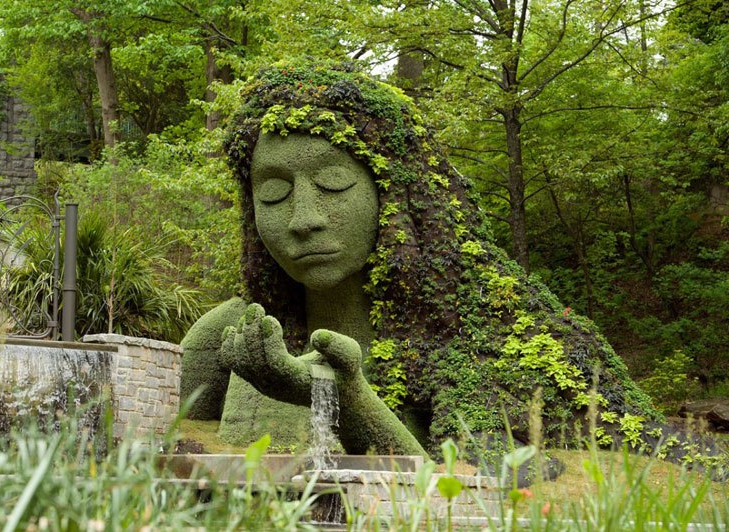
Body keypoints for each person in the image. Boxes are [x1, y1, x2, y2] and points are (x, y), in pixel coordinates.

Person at [181, 62, 665, 460]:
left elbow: (476, 489)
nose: (303, 219)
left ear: (395, 193)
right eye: (273, 192)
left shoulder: (480, 339)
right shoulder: (229, 337)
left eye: (333, 183)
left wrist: (346, 396)